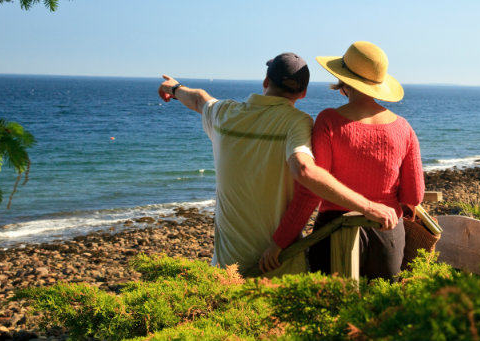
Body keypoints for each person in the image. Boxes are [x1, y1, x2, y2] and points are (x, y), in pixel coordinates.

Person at [159, 52, 398, 277]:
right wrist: (368, 206)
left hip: (228, 266)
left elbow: (199, 100)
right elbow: (304, 170)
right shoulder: (297, 123)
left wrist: (175, 88)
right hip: (281, 262)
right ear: (303, 93)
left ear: (265, 80)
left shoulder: (223, 114)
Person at [261, 41, 424, 280]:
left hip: (333, 231)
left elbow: (311, 192)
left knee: (331, 310)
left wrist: (279, 243)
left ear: (344, 80)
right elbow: (414, 196)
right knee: (379, 310)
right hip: (387, 233)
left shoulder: (328, 121)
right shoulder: (403, 128)